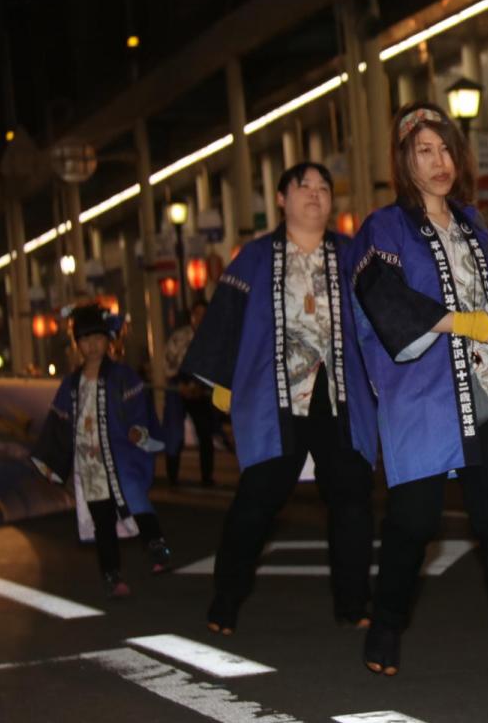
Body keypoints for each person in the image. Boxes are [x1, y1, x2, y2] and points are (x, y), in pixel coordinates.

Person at [348, 102, 488, 681]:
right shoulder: (385, 228)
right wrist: (460, 322)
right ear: (404, 161)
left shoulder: (472, 223)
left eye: (445, 149)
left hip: (485, 388)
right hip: (425, 394)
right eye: (425, 151)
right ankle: (386, 624)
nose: (439, 161)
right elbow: (381, 295)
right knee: (414, 521)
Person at [182, 161, 378, 635]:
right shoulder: (255, 257)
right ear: (281, 199)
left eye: (323, 187)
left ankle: (353, 604)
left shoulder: (351, 254)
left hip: (338, 396)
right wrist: (224, 382)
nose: (315, 194)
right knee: (257, 501)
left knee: (353, 498)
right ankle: (226, 601)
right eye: (303, 186)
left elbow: (380, 317)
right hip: (278, 399)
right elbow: (227, 319)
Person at [31, 304, 171, 596]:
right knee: (102, 518)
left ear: (108, 340)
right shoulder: (71, 384)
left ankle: (156, 545)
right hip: (90, 462)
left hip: (121, 455)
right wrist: (49, 461)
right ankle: (111, 576)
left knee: (134, 496)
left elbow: (139, 410)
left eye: (97, 337)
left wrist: (138, 431)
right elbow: (58, 423)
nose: (92, 345)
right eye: (85, 339)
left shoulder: (123, 376)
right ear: (77, 344)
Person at [163, 298, 216, 487]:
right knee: (174, 433)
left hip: (201, 388)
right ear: (192, 316)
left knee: (205, 433)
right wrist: (180, 384)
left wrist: (203, 386)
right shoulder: (179, 337)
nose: (200, 318)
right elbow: (168, 362)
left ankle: (207, 476)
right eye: (197, 314)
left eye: (204, 315)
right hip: (178, 386)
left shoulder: (213, 338)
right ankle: (172, 477)